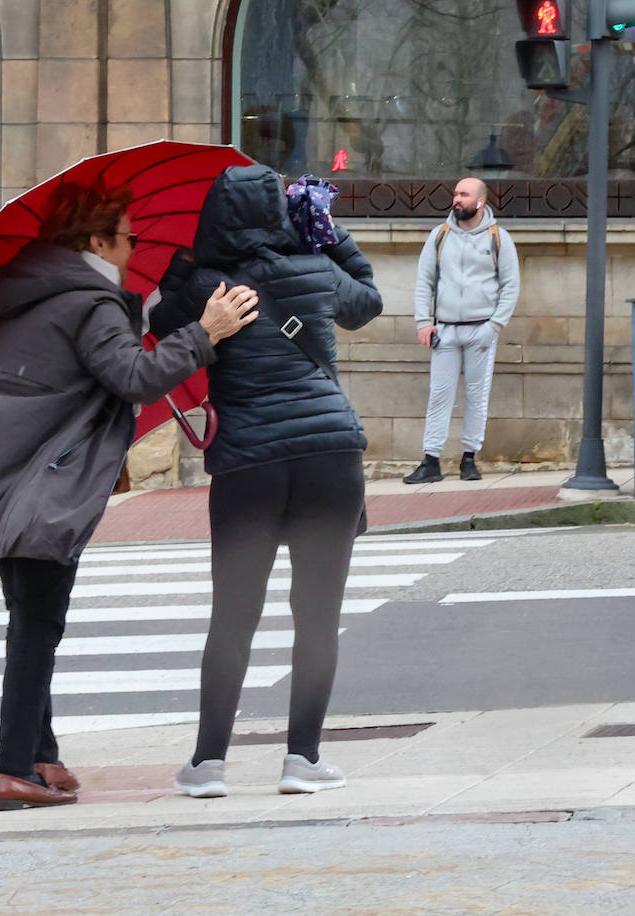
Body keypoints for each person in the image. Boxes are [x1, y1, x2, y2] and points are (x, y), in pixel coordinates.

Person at [0, 182, 260, 810]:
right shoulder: (88, 302)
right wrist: (206, 332)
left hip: (1, 473)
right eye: (129, 237)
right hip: (41, 480)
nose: (134, 248)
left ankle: (41, 754)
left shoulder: (32, 296)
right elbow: (135, 376)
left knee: (32, 618)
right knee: (39, 623)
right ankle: (12, 769)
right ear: (96, 242)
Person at [148, 165, 383, 798]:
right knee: (316, 615)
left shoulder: (204, 286)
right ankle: (302, 759)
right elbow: (368, 300)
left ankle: (208, 765)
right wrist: (328, 233)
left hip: (249, 464)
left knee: (234, 616)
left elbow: (158, 320)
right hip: (330, 457)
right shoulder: (314, 269)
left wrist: (187, 260)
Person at [403, 177, 519, 484]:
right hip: (445, 331)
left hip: (482, 330)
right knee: (439, 396)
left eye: (464, 194)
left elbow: (511, 286)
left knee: (477, 396)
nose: (457, 199)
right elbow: (424, 282)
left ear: (480, 201)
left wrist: (495, 325)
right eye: (456, 193)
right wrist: (423, 322)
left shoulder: (499, 238)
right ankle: (431, 461)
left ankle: (470, 459)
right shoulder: (439, 236)